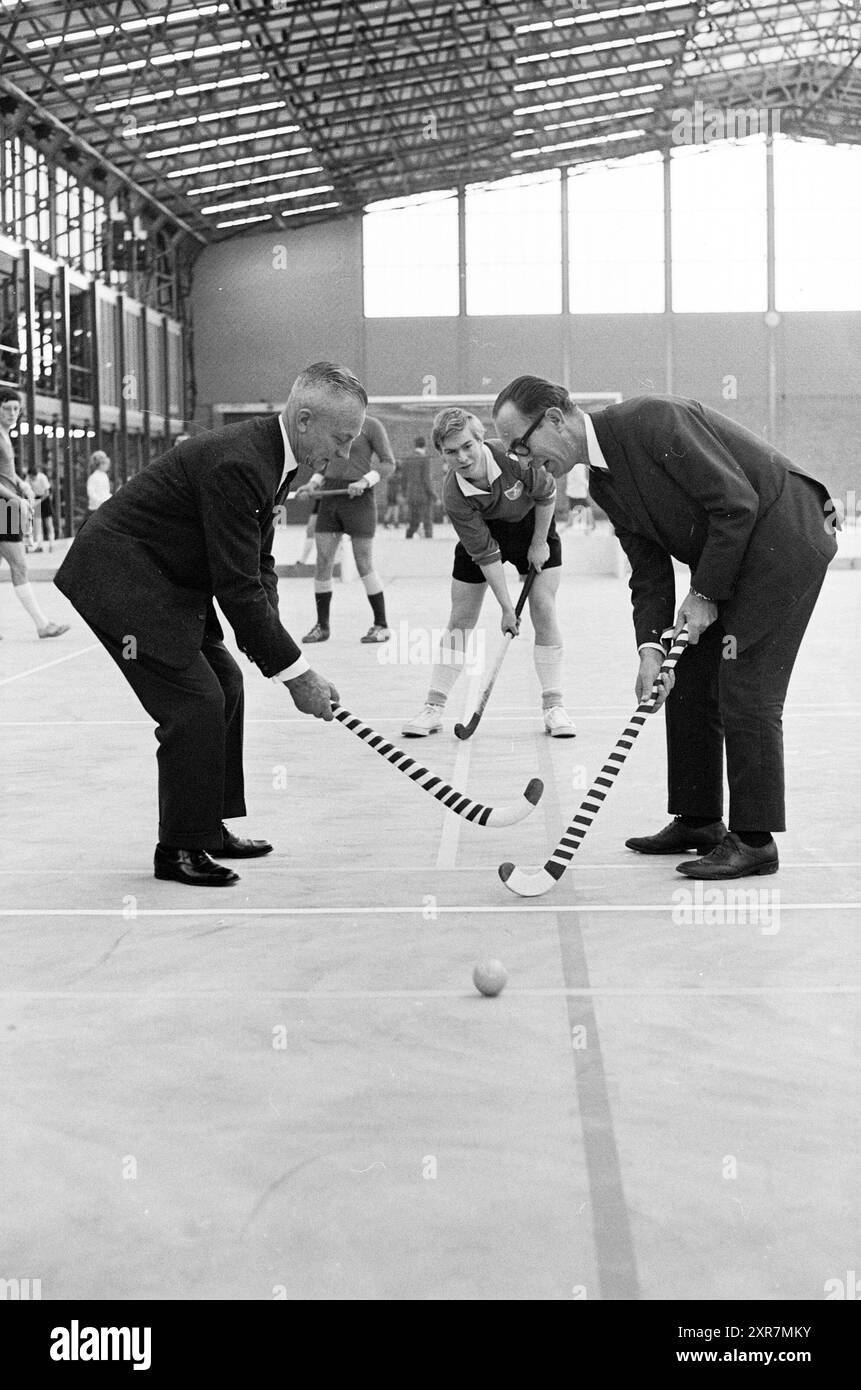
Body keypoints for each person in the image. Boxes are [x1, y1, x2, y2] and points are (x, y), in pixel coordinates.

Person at [493, 376, 838, 879]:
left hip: (785, 536)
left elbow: (736, 503)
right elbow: (649, 570)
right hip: (735, 552)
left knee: (743, 679)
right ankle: (699, 820)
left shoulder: (652, 421)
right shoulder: (602, 482)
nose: (523, 462)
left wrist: (703, 594)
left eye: (521, 446)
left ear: (552, 419)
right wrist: (651, 648)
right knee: (690, 671)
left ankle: (755, 839)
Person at [54, 362, 359, 887]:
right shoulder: (241, 462)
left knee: (227, 683)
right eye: (342, 437)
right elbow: (236, 586)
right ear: (304, 419)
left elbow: (258, 566)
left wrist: (276, 648)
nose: (347, 452)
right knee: (194, 701)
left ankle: (205, 827)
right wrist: (296, 675)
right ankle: (177, 849)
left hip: (167, 578)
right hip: (122, 578)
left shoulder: (278, 459)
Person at [402, 407, 576, 739]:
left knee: (542, 607)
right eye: (451, 452)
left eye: (467, 446)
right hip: (484, 532)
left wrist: (539, 543)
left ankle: (554, 706)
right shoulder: (454, 494)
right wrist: (507, 609)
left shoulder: (512, 456)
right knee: (461, 617)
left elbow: (547, 492)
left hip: (532, 525)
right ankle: (434, 707)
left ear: (480, 439)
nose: (462, 457)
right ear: (441, 453)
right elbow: (484, 553)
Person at [297, 413, 395, 645]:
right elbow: (323, 464)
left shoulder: (372, 425)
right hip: (330, 499)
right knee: (323, 561)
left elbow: (388, 463)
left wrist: (364, 481)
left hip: (359, 499)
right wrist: (312, 484)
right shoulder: (327, 424)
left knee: (364, 564)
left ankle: (381, 625)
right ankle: (322, 626)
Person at [0, 389, 68, 640]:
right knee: (19, 565)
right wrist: (16, 498)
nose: (13, 413)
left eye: (16, 409)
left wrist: (22, 484)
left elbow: (5, 472)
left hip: (6, 503)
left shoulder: (6, 436)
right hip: (4, 506)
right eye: (7, 408)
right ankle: (42, 624)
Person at [403, 436, 436, 538]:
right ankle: (428, 537)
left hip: (411, 494)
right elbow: (426, 479)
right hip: (424, 495)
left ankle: (409, 535)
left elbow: (403, 478)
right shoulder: (424, 459)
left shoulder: (408, 458)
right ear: (424, 445)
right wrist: (434, 495)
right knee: (427, 519)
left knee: (413, 519)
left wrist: (404, 492)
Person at [27, 463, 55, 551]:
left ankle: (51, 544)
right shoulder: (28, 478)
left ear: (35, 475)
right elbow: (26, 489)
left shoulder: (42, 477)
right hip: (36, 499)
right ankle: (39, 546)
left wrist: (38, 501)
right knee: (37, 524)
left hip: (44, 499)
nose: (31, 479)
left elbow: (47, 493)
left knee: (48, 523)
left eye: (32, 477)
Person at [382, 463, 403, 529]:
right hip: (395, 494)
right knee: (395, 509)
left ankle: (386, 522)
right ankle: (395, 523)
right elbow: (398, 487)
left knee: (390, 509)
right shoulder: (398, 477)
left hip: (390, 494)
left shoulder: (390, 476)